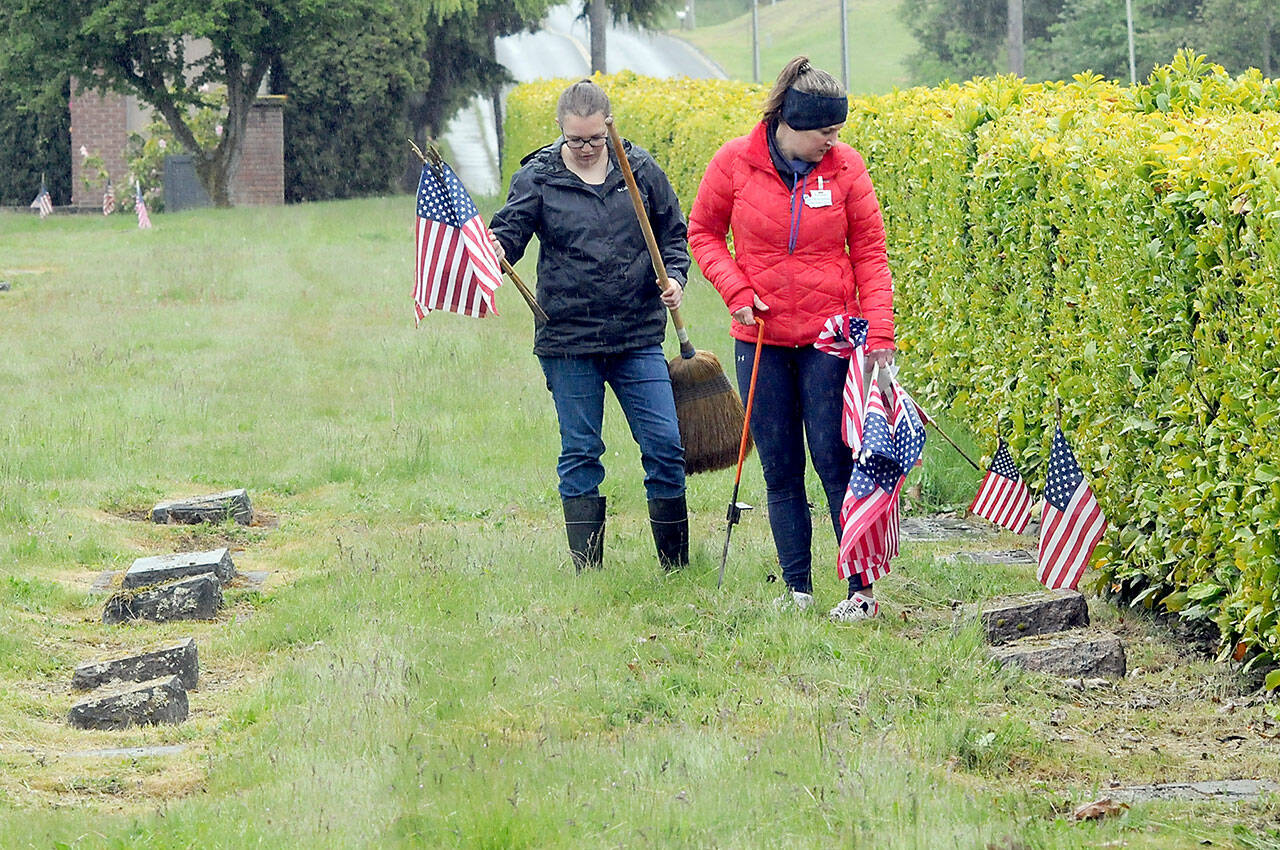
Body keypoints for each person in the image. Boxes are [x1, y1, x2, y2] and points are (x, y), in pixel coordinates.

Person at [687, 57, 896, 621]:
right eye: (824, 132)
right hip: (760, 338)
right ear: (790, 123)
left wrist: (880, 334)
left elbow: (872, 257)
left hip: (832, 339)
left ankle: (860, 592)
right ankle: (798, 591)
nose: (833, 142)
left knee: (836, 461)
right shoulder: (733, 162)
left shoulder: (846, 169)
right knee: (780, 468)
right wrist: (735, 289)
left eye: (837, 132)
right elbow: (702, 233)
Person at [488, 79, 690, 572]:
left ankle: (677, 567)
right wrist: (495, 248)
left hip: (637, 336)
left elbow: (673, 234)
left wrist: (676, 278)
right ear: (560, 129)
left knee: (665, 444)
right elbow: (509, 233)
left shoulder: (639, 169)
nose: (583, 149)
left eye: (594, 139)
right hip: (567, 339)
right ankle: (589, 571)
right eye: (575, 139)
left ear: (609, 128)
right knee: (581, 450)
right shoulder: (538, 177)